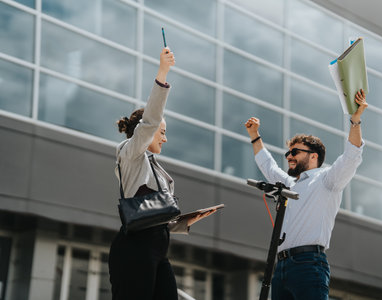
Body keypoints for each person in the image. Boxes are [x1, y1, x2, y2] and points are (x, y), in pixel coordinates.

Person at [108, 47, 216, 300]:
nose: (165, 138)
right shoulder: (130, 154)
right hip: (134, 248)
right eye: (162, 132)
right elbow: (151, 122)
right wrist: (163, 72)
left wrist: (188, 221)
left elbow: (157, 218)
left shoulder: (156, 169)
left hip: (158, 249)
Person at [245, 90, 368, 300]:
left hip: (309, 264)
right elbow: (268, 165)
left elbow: (351, 156)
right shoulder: (289, 183)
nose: (289, 157)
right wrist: (255, 136)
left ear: (313, 156)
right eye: (288, 153)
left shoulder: (328, 179)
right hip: (281, 266)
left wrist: (355, 121)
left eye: (295, 152)